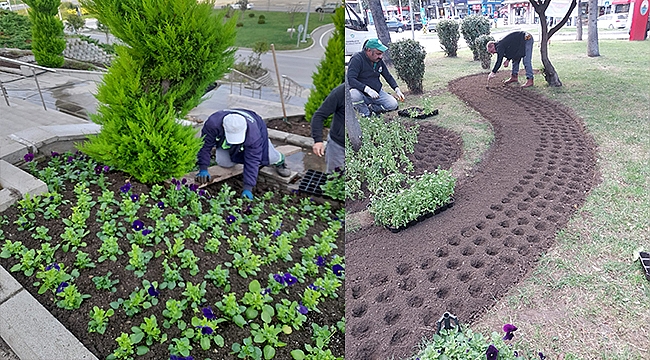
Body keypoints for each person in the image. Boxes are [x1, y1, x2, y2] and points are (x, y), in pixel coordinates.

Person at [195, 109, 291, 199]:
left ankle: (279, 158)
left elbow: (252, 160)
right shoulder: (213, 124)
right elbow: (205, 146)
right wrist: (203, 168)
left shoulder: (254, 133)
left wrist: (248, 187)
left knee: (267, 157)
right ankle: (236, 151)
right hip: (225, 138)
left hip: (255, 131)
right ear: (223, 127)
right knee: (224, 163)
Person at [347, 38, 405, 117]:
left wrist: (397, 89)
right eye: (378, 53)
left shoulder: (378, 60)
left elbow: (387, 75)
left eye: (381, 54)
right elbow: (350, 79)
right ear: (369, 51)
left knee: (393, 104)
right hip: (361, 93)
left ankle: (373, 108)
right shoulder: (357, 59)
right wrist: (367, 90)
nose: (381, 56)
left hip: (377, 93)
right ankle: (365, 112)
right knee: (354, 95)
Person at [311, 83, 345, 173]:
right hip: (338, 147)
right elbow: (319, 116)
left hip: (363, 145)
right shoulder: (341, 91)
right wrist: (318, 140)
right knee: (335, 177)